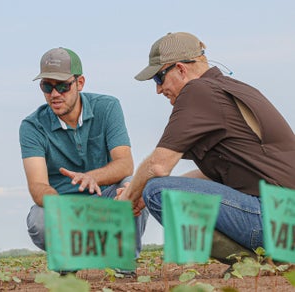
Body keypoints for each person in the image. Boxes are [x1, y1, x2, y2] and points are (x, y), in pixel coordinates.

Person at [117, 32, 295, 264]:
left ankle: (256, 264)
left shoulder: (198, 91)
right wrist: (140, 189)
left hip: (276, 219)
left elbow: (159, 166)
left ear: (180, 69)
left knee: (157, 192)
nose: (158, 90)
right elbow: (208, 176)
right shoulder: (229, 89)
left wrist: (130, 196)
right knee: (156, 187)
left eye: (158, 79)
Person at [19, 47, 148, 276]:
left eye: (62, 86)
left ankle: (123, 259)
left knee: (132, 186)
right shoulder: (32, 126)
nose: (55, 94)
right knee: (39, 220)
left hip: (104, 199)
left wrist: (92, 177)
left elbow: (124, 164)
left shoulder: (107, 107)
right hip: (65, 203)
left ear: (80, 82)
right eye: (47, 87)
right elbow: (38, 185)